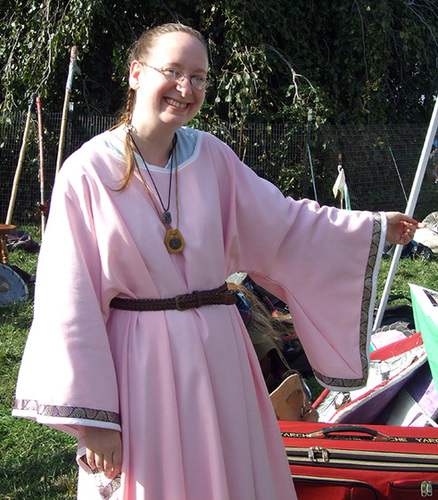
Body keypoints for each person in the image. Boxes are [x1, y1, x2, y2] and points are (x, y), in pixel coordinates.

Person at [13, 23, 422, 500]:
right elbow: (70, 305)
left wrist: (370, 227)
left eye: (200, 77)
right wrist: (95, 421)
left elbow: (284, 224)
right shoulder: (85, 173)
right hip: (142, 366)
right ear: (136, 73)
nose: (186, 89)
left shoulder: (212, 157)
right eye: (173, 71)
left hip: (221, 357)